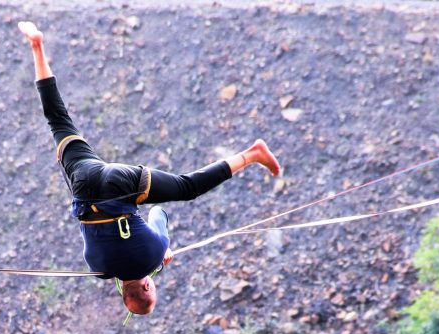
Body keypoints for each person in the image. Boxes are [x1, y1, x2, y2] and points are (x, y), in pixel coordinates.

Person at [19, 21, 281, 315]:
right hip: (85, 181)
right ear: (122, 291)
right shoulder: (99, 269)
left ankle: (252, 154)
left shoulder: (154, 256)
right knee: (57, 119)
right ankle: (37, 46)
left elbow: (159, 213)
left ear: (146, 287)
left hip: (125, 184)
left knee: (188, 187)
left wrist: (162, 252)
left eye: (152, 287)